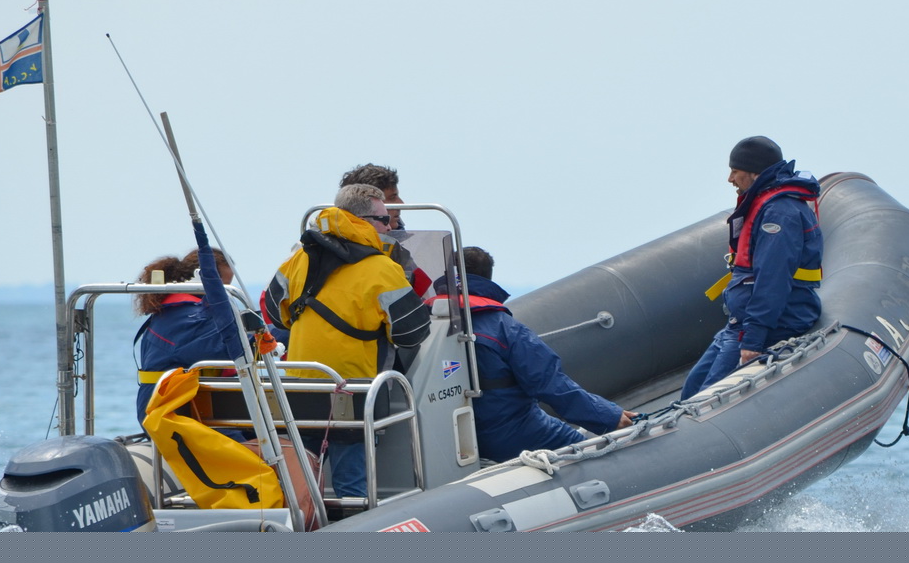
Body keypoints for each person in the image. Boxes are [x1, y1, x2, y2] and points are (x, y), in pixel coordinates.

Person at [264, 183, 432, 497]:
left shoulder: (299, 259)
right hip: (352, 393)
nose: (390, 227)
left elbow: (275, 314)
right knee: (352, 488)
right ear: (363, 221)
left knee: (299, 484)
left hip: (300, 389)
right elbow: (412, 333)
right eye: (384, 220)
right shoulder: (382, 268)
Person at [433, 247, 636, 462]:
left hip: (449, 440)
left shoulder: (426, 325)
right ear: (487, 277)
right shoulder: (504, 329)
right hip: (510, 433)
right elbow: (551, 384)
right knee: (583, 448)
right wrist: (610, 417)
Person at [681, 136, 824, 399]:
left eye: (735, 171)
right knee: (691, 389)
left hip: (769, 324)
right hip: (738, 325)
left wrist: (754, 339)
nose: (730, 179)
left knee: (706, 400)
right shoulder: (766, 204)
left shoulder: (779, 214)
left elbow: (773, 279)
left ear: (754, 172)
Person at [134, 248, 240, 435]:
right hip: (167, 412)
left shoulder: (188, 312)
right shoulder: (185, 317)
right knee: (258, 446)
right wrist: (270, 335)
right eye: (223, 287)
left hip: (192, 406)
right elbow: (225, 348)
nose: (224, 295)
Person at [338, 162, 431, 294]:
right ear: (367, 204)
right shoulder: (326, 248)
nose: (401, 203)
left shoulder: (396, 247)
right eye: (392, 198)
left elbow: (420, 293)